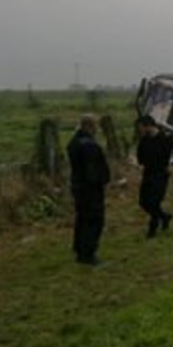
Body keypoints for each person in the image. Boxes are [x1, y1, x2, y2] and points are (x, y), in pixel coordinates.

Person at [67, 114, 110, 265]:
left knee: (82, 219)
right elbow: (92, 170)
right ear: (89, 126)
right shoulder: (89, 145)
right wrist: (101, 181)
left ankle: (79, 249)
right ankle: (89, 254)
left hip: (78, 186)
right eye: (95, 126)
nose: (96, 130)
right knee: (94, 220)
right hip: (90, 189)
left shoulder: (74, 142)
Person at [136, 115, 173, 238]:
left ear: (148, 125)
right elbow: (140, 154)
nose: (139, 130)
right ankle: (164, 217)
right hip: (148, 172)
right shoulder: (145, 139)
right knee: (143, 202)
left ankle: (152, 228)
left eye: (141, 127)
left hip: (161, 173)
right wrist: (141, 163)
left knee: (154, 201)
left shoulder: (165, 138)